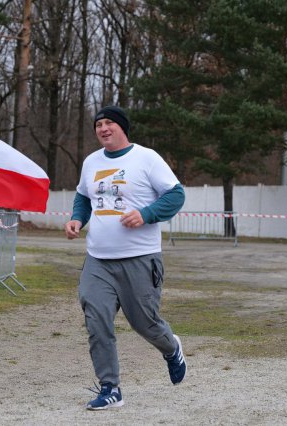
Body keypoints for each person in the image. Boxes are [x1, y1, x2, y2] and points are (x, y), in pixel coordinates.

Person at [64, 105, 187, 410]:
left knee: (145, 322)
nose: (103, 128)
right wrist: (77, 219)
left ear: (122, 127)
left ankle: (171, 348)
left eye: (109, 123)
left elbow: (176, 194)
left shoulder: (146, 158)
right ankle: (110, 387)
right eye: (98, 124)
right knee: (97, 320)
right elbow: (83, 196)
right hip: (98, 259)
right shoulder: (91, 162)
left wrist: (146, 214)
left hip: (139, 258)